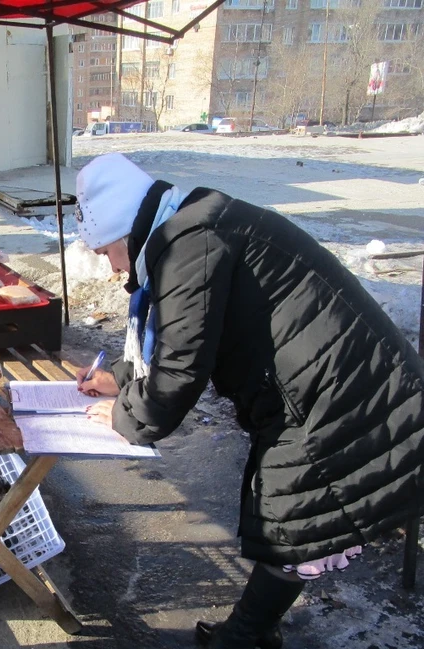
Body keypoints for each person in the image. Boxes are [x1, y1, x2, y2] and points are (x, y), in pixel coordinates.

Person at [73, 153, 424, 648]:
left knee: (293, 512)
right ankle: (253, 632)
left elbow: (182, 368)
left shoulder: (189, 243)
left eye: (108, 251)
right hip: (322, 383)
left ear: (126, 231)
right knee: (289, 509)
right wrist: (122, 378)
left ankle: (245, 637)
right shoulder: (189, 224)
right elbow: (184, 337)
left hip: (340, 391)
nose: (112, 268)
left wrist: (126, 414)